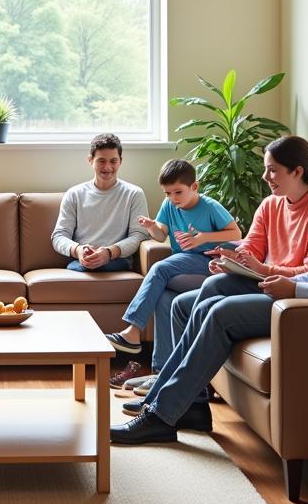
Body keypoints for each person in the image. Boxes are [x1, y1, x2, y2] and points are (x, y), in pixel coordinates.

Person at [111, 115, 308, 445]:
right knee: (207, 291)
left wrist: (293, 286)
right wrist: (243, 262)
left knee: (220, 315)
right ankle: (181, 405)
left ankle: (160, 416)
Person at [103, 159, 241, 375]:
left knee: (159, 269)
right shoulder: (169, 205)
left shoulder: (210, 206)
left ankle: (132, 331)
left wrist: (203, 238)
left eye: (178, 192)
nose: (172, 198)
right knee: (165, 298)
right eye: (168, 193)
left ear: (194, 187)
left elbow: (236, 234)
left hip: (207, 261)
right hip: (183, 262)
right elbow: (160, 236)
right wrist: (151, 227)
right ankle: (162, 371)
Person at [51, 132, 148, 273]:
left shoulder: (134, 194)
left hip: (117, 260)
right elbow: (59, 236)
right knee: (78, 266)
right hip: (81, 260)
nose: (107, 167)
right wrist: (78, 250)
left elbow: (139, 235)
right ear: (90, 160)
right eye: (101, 161)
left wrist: (109, 252)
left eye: (113, 161)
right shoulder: (74, 194)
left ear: (121, 161)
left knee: (85, 267)